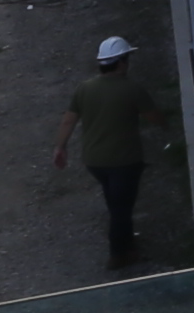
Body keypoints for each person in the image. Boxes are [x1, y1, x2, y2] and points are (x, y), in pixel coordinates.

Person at [50, 35, 152, 269]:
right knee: (121, 208)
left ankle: (127, 244)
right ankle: (119, 254)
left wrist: (60, 147)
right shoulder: (132, 89)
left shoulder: (84, 88)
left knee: (114, 200)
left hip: (95, 161)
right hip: (125, 161)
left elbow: (68, 121)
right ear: (122, 61)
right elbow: (153, 116)